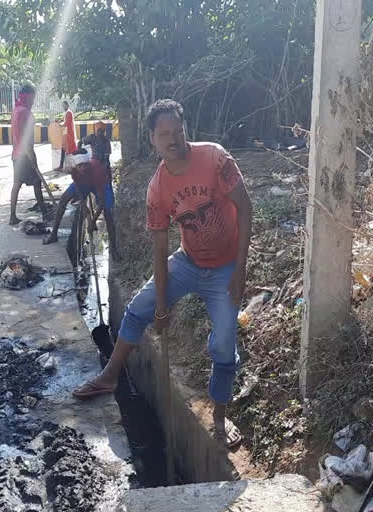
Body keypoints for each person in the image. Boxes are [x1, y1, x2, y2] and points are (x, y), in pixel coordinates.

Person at [71, 99, 253, 448]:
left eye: (177, 131)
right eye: (164, 134)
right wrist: (162, 305)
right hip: (187, 262)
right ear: (152, 140)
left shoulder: (215, 158)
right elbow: (159, 245)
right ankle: (110, 376)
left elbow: (245, 207)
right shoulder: (157, 187)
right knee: (139, 307)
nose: (173, 139)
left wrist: (240, 268)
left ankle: (219, 414)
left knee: (225, 342)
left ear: (185, 131)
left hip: (225, 267)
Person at [43, 123, 121, 261]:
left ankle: (114, 250)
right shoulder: (76, 170)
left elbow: (101, 202)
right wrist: (83, 204)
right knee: (63, 199)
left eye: (84, 166)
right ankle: (54, 233)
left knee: (109, 214)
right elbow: (78, 187)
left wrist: (93, 221)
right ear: (76, 166)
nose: (82, 168)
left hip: (101, 183)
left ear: (87, 164)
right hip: (85, 183)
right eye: (79, 167)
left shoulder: (98, 170)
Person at [10, 84, 47, 225]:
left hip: (16, 154)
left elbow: (13, 136)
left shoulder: (15, 111)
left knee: (17, 184)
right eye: (32, 98)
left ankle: (12, 216)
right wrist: (33, 159)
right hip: (25, 155)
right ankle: (44, 213)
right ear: (28, 97)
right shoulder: (26, 113)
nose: (33, 101)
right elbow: (27, 140)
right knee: (37, 182)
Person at [55, 101, 77, 172]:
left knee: (71, 150)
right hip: (66, 133)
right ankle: (62, 166)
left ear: (67, 105)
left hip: (69, 134)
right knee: (64, 149)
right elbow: (65, 122)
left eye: (64, 105)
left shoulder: (69, 112)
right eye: (62, 106)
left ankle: (72, 167)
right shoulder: (67, 112)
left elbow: (67, 123)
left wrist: (60, 125)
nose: (63, 107)